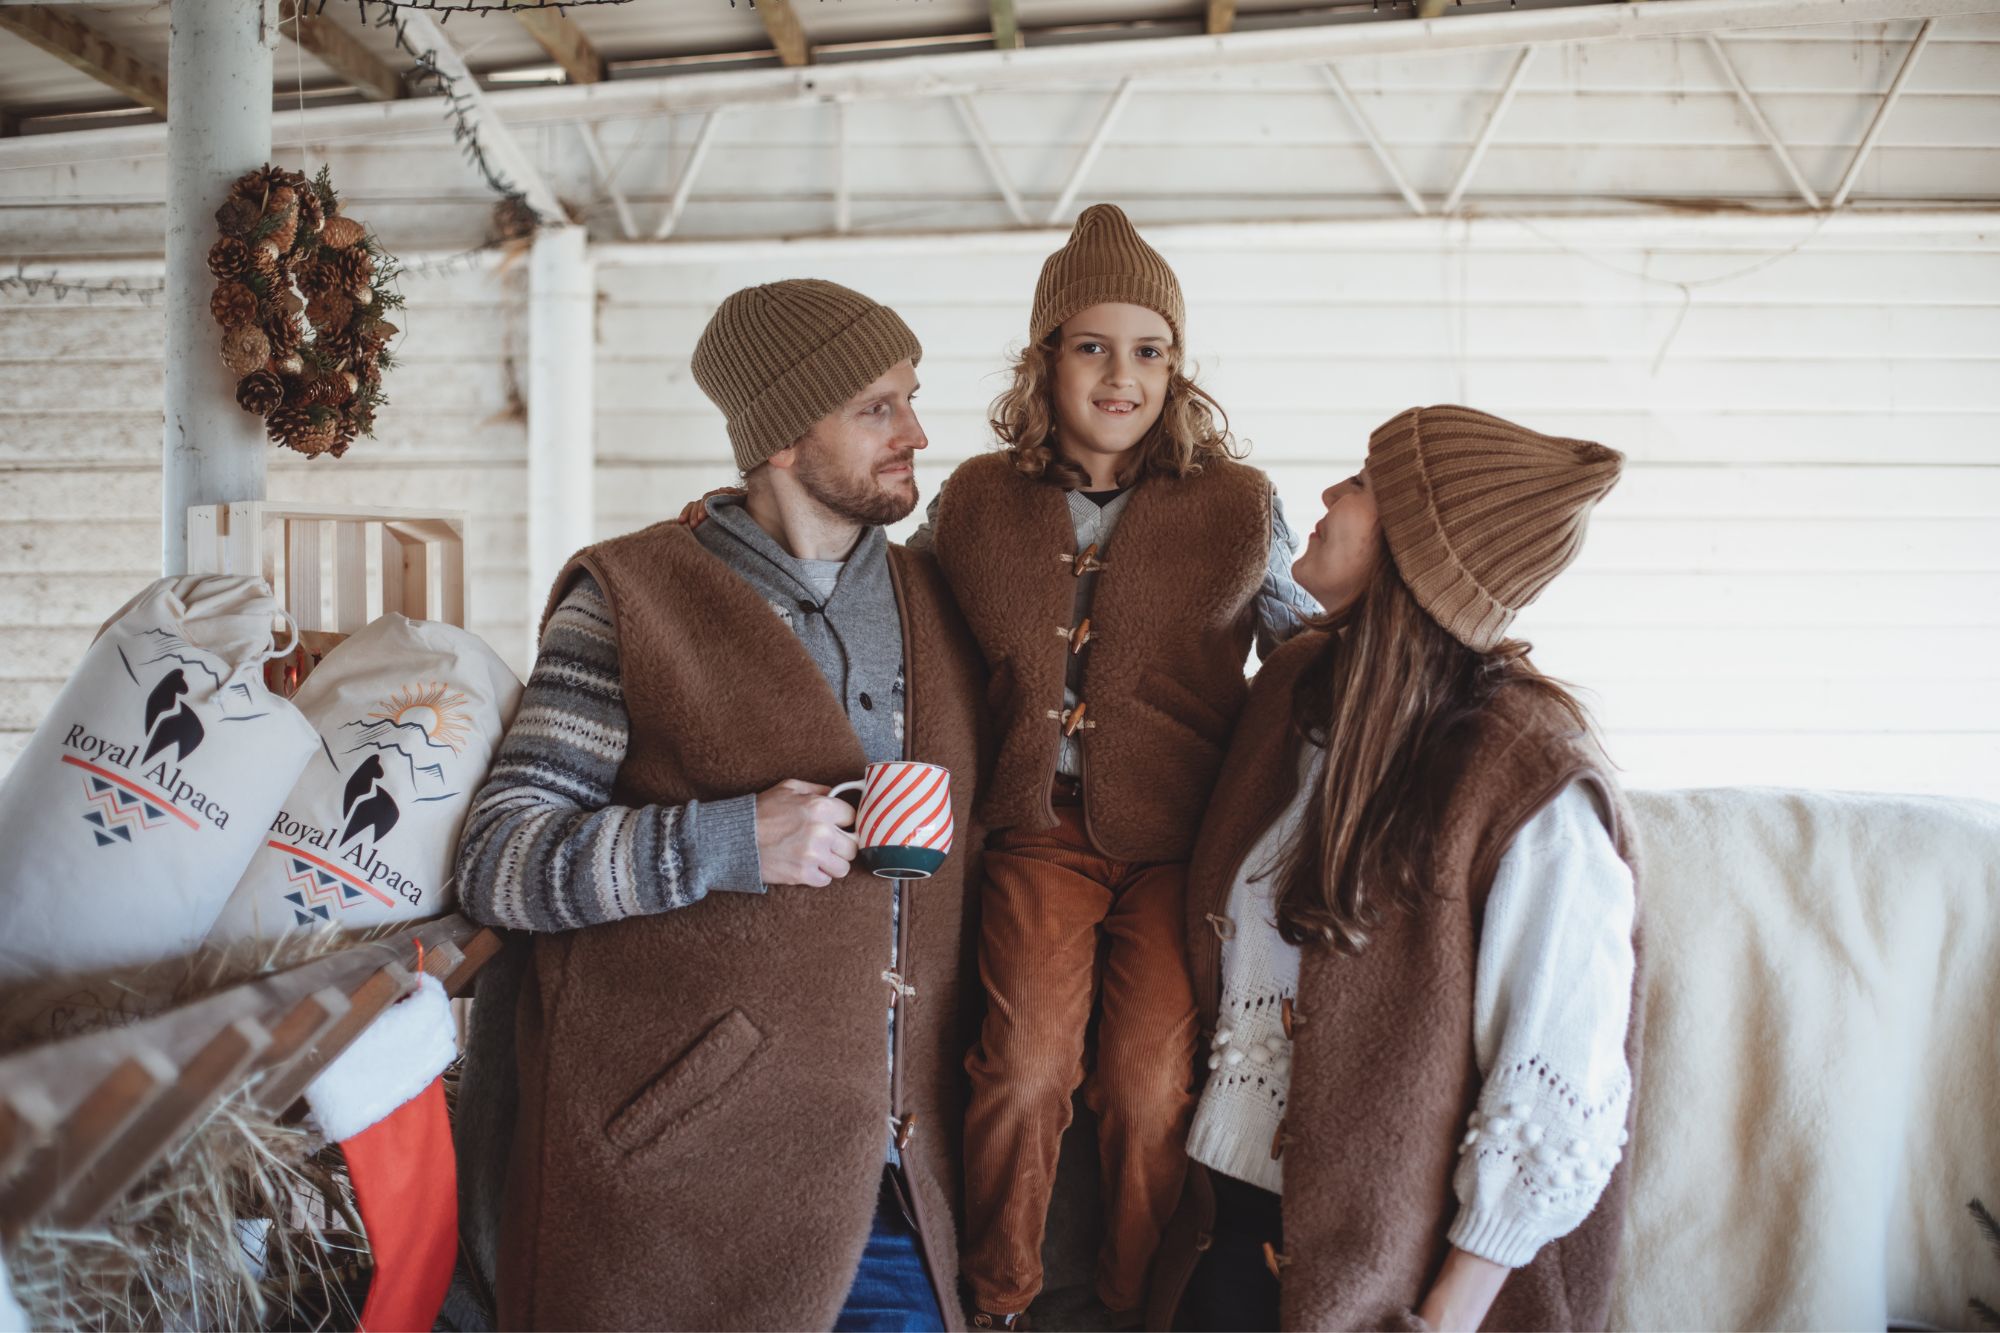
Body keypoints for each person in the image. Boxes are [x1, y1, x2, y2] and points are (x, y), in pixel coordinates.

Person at [452, 278, 989, 1331]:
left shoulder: (941, 600)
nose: (915, 431)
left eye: (910, 398)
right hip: (678, 1194)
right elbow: (501, 860)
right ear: (783, 437)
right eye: (875, 407)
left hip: (904, 1190)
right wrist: (727, 839)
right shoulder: (627, 600)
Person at [911, 203, 1318, 1328]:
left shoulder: (1238, 504)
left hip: (1179, 848)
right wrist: (735, 525)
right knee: (1022, 1069)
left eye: (1148, 350)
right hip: (1035, 830)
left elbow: (1305, 642)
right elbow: (887, 602)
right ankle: (996, 1301)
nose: (1119, 375)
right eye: (1090, 345)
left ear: (1176, 370)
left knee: (1146, 1088)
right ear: (1044, 360)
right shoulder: (977, 501)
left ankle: (1143, 1307)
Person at [1152, 405, 1641, 1332]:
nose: (1331, 494)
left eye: (1365, 484)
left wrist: (1441, 1319)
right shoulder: (1295, 692)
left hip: (1393, 1289)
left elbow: (1556, 1090)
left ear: (1421, 549)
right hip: (1217, 1246)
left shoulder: (1529, 780)